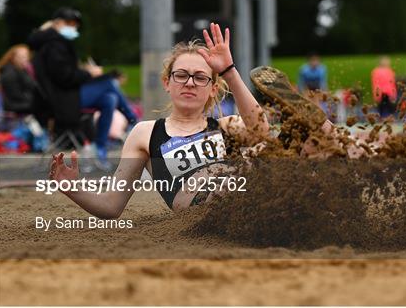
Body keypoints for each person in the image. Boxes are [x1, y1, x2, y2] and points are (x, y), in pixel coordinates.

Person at [49, 23, 270, 216]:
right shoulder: (145, 133)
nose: (190, 83)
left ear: (213, 89)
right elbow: (111, 206)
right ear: (167, 83)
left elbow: (261, 131)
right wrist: (72, 188)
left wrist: (229, 72)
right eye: (181, 75)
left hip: (248, 203)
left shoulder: (226, 126)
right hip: (207, 219)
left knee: (265, 152)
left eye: (200, 77)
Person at [29, 7, 137, 169]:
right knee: (109, 83)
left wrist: (84, 72)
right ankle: (133, 121)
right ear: (57, 24)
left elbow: (62, 74)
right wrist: (88, 73)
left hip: (64, 96)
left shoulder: (50, 44)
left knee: (110, 98)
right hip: (62, 101)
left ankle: (99, 148)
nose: (74, 28)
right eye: (70, 23)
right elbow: (64, 77)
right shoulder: (54, 45)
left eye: (75, 25)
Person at [0, 44, 37, 114]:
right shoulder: (9, 74)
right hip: (15, 113)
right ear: (13, 58)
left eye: (26, 56)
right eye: (21, 57)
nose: (25, 59)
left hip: (22, 108)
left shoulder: (24, 71)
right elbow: (16, 97)